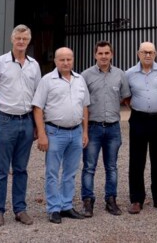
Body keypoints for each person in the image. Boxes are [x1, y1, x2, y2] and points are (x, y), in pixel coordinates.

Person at [0, 25, 42, 226]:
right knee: (1, 169)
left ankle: (20, 209)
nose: (21, 41)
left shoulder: (34, 65)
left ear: (29, 41)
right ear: (12, 39)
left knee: (21, 168)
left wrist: (37, 125)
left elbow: (38, 97)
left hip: (26, 121)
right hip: (6, 121)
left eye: (24, 38)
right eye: (18, 38)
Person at [33, 47, 91, 224]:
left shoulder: (80, 80)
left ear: (73, 60)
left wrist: (85, 131)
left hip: (76, 132)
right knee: (52, 172)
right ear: (55, 61)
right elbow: (37, 108)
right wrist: (42, 134)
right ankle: (53, 208)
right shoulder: (47, 81)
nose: (66, 63)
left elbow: (85, 107)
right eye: (62, 60)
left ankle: (66, 206)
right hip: (54, 133)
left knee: (70, 172)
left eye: (68, 59)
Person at [80, 41, 131, 217]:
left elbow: (126, 98)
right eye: (100, 53)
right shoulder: (85, 76)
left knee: (111, 166)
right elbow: (81, 103)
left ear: (112, 55)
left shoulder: (120, 75)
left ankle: (111, 200)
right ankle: (88, 201)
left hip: (113, 129)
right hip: (93, 127)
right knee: (89, 166)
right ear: (95, 55)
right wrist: (83, 130)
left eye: (106, 53)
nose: (103, 56)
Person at [125, 41, 157, 214]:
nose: (147, 55)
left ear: (156, 54)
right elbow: (126, 97)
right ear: (138, 54)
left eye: (151, 52)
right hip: (138, 119)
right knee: (136, 160)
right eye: (144, 52)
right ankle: (137, 199)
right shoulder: (129, 74)